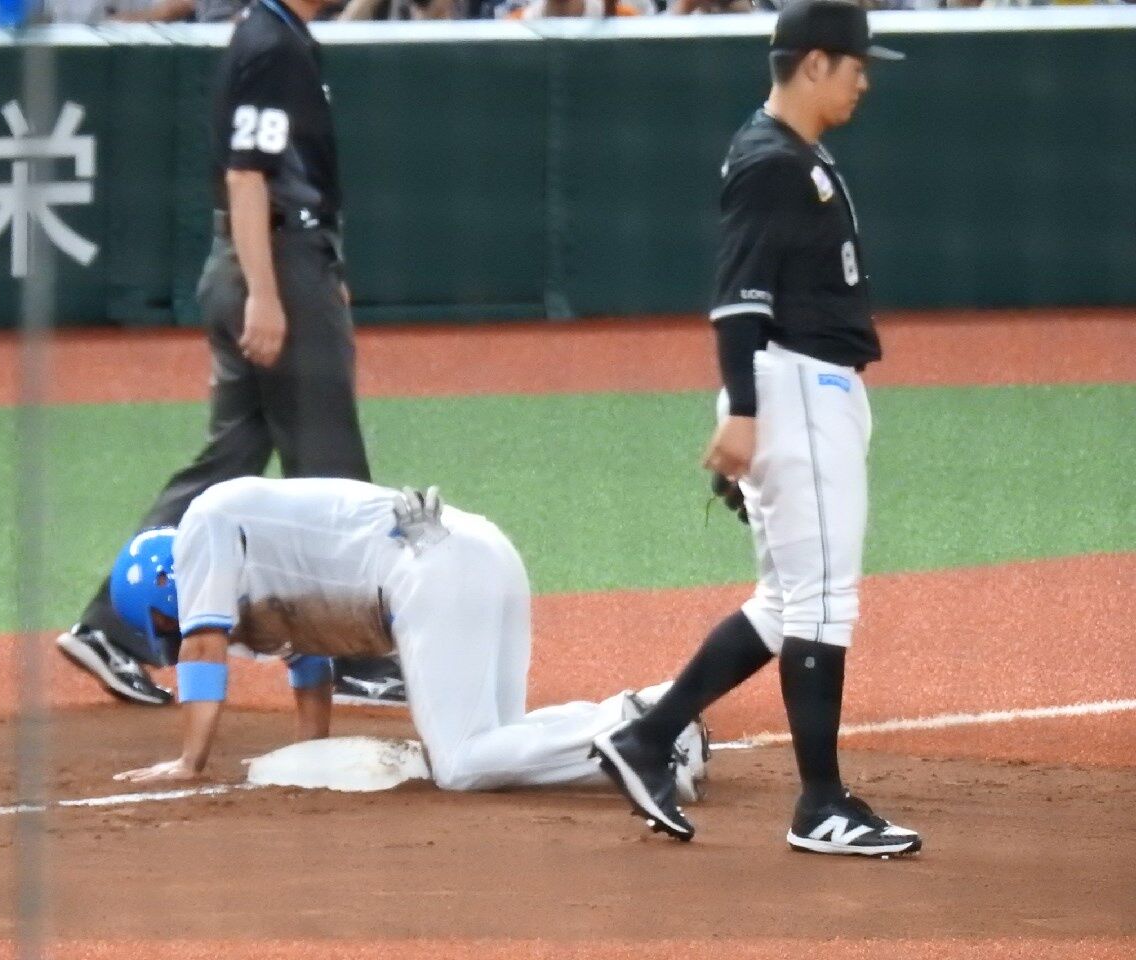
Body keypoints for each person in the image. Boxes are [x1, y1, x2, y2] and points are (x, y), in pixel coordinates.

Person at [590, 0, 922, 858]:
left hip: (803, 391)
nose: (864, 80)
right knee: (822, 602)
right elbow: (739, 300)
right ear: (814, 63)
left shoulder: (789, 151)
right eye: (856, 65)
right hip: (796, 388)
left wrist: (748, 419)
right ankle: (820, 806)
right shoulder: (772, 161)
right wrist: (744, 413)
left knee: (785, 602)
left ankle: (648, 738)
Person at [56, 0, 406, 709]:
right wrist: (270, 294)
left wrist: (321, 270)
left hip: (277, 259)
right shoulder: (272, 42)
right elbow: (248, 176)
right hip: (271, 262)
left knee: (228, 463)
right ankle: (355, 658)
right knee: (331, 469)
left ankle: (110, 630)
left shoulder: (274, 35)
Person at [108, 477, 708, 797]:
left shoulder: (203, 525)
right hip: (476, 551)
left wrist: (189, 762)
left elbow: (202, 647)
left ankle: (636, 728)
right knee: (499, 740)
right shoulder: (262, 575)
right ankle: (655, 714)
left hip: (435, 568)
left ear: (165, 585)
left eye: (164, 624)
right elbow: (309, 664)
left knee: (461, 765)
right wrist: (308, 754)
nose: (175, 635)